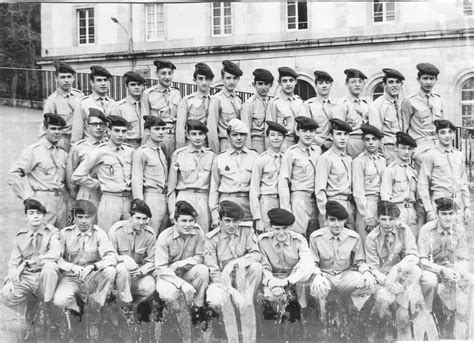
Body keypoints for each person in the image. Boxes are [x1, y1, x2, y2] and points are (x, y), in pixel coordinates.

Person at [53, 200, 117, 339]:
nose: (83, 221)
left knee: (110, 270)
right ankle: (77, 310)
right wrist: (71, 267)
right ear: (74, 217)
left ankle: (96, 308)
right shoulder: (64, 234)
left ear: (93, 218)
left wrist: (94, 266)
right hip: (70, 278)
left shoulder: (99, 233)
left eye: (87, 217)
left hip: (91, 278)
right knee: (60, 300)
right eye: (80, 217)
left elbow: (111, 257)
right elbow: (56, 258)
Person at [309, 201, 375, 334]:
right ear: (326, 220)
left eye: (340, 220)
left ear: (345, 220)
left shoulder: (353, 237)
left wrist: (367, 272)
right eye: (332, 220)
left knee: (367, 283)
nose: (337, 224)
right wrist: (317, 275)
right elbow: (312, 263)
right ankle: (324, 324)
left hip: (344, 276)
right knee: (318, 288)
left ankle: (353, 315)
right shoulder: (316, 237)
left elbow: (360, 262)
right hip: (325, 276)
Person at [365, 201, 424, 341]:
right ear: (378, 218)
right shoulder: (371, 238)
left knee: (415, 271)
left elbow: (413, 255)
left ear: (396, 218)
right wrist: (388, 283)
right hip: (383, 281)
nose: (387, 223)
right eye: (383, 219)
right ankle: (379, 335)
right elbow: (372, 267)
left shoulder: (404, 230)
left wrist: (397, 268)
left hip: (401, 278)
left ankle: (409, 334)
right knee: (384, 299)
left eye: (391, 219)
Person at [205, 200, 262, 343]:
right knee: (218, 300)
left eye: (235, 221)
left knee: (256, 267)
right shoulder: (211, 239)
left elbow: (256, 254)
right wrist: (231, 291)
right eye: (227, 221)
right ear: (220, 220)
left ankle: (250, 339)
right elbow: (214, 271)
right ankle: (228, 337)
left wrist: (236, 263)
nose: (231, 225)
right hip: (222, 283)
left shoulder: (247, 231)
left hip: (244, 281)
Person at [1, 199, 60, 333]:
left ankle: (48, 310)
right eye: (31, 213)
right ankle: (31, 306)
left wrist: (30, 262)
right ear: (25, 216)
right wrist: (9, 281)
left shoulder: (52, 232)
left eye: (39, 213)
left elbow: (55, 253)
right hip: (28, 277)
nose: (35, 216)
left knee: (50, 267)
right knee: (6, 294)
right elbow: (13, 263)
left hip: (47, 277)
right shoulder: (20, 237)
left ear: (44, 216)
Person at [154, 201, 209, 342]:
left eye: (191, 220)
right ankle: (168, 324)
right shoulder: (164, 237)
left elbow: (200, 257)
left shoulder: (197, 232)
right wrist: (181, 284)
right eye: (183, 221)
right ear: (175, 221)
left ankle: (197, 310)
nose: (188, 224)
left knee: (202, 271)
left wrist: (182, 263)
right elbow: (160, 268)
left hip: (186, 272)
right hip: (166, 277)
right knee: (170, 294)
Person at [418, 197, 472, 340]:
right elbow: (422, 260)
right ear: (437, 215)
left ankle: (463, 327)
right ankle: (428, 319)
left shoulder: (459, 230)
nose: (448, 218)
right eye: (444, 214)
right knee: (429, 281)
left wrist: (459, 270)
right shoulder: (427, 230)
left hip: (451, 270)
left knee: (469, 279)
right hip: (432, 270)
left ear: (455, 214)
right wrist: (442, 270)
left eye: (451, 213)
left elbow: (464, 257)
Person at [72, 115, 133, 232]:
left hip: (128, 200)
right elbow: (77, 175)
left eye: (124, 131)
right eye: (117, 131)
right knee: (107, 235)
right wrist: (97, 184)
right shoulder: (100, 151)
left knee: (126, 236)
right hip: (110, 199)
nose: (120, 134)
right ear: (109, 131)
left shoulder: (130, 151)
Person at [9, 113, 68, 229]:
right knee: (41, 237)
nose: (56, 132)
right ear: (45, 129)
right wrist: (26, 197)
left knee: (60, 238)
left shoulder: (63, 153)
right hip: (42, 200)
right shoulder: (33, 151)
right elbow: (13, 174)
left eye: (60, 129)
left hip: (61, 202)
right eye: (53, 129)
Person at [258, 208, 314, 323]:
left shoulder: (299, 240)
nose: (281, 232)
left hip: (294, 278)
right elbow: (264, 266)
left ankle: (301, 319)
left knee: (306, 270)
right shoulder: (263, 241)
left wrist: (287, 281)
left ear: (291, 227)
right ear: (270, 227)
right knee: (271, 297)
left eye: (285, 228)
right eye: (277, 229)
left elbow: (307, 263)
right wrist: (272, 284)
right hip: (274, 278)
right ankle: (273, 327)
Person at [109, 199, 156, 332]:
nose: (142, 222)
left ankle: (129, 308)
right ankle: (124, 310)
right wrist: (122, 258)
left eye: (145, 219)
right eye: (138, 218)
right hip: (119, 275)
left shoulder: (149, 234)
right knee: (122, 269)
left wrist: (142, 271)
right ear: (130, 216)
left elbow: (153, 259)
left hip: (138, 273)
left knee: (150, 286)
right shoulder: (117, 230)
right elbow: (109, 254)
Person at [418, 119, 471, 225]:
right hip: (439, 204)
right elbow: (422, 185)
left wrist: (467, 207)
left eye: (450, 132)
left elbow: (463, 183)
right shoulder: (430, 155)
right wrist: (429, 210)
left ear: (454, 134)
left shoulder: (458, 155)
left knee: (457, 238)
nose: (447, 136)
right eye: (443, 132)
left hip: (457, 204)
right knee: (439, 238)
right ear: (437, 135)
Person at [209, 119, 258, 229]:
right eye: (235, 135)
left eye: (242, 135)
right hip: (227, 204)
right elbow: (214, 188)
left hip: (248, 205)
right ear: (228, 136)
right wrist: (214, 214)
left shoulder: (254, 157)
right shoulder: (220, 158)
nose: (239, 138)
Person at [168, 119, 215, 233]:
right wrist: (172, 211)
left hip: (204, 199)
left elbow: (214, 187)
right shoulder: (179, 155)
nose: (198, 138)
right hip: (184, 197)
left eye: (201, 134)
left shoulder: (211, 156)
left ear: (205, 136)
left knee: (203, 235)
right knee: (182, 234)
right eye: (194, 134)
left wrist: (214, 212)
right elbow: (171, 188)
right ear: (187, 135)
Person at [278, 116, 321, 236]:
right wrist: (286, 208)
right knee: (298, 236)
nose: (308, 134)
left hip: (316, 201)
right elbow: (283, 182)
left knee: (315, 237)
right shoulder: (291, 153)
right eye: (304, 131)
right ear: (297, 132)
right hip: (299, 200)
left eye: (311, 131)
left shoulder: (317, 151)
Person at [401, 63, 444, 170]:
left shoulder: (438, 99)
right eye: (425, 78)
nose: (428, 82)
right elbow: (404, 129)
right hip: (420, 148)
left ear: (436, 80)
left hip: (438, 145)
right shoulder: (410, 101)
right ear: (418, 79)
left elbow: (443, 126)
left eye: (431, 78)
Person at [315, 118, 355, 230]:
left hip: (349, 205)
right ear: (331, 136)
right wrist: (325, 215)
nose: (342, 138)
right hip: (333, 204)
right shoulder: (325, 159)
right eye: (338, 134)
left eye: (346, 134)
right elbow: (320, 190)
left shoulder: (349, 159)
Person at [132, 116, 169, 235]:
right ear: (147, 131)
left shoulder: (161, 150)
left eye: (163, 129)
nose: (161, 132)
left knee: (162, 234)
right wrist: (140, 206)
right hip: (151, 197)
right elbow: (137, 179)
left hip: (164, 197)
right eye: (157, 129)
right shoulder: (142, 152)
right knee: (149, 234)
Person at [66, 108, 108, 209]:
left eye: (101, 124)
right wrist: (74, 198)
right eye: (94, 124)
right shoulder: (79, 147)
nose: (98, 127)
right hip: (87, 192)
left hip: (107, 193)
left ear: (106, 127)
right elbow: (70, 177)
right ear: (87, 126)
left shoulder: (109, 146)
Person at [250, 121, 287, 233]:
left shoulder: (286, 158)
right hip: (267, 201)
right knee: (267, 234)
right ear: (267, 137)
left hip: (283, 201)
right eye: (272, 135)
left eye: (279, 135)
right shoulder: (261, 160)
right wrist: (258, 218)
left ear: (284, 138)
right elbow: (254, 189)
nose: (276, 138)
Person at [380, 132, 419, 237]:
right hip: (397, 213)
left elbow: (417, 199)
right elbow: (385, 198)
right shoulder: (391, 170)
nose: (406, 152)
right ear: (396, 148)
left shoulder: (413, 171)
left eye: (409, 149)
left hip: (412, 214)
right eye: (403, 148)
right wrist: (391, 218)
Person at [352, 124, 386, 243]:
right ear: (363, 142)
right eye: (367, 139)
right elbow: (358, 191)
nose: (371, 143)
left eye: (374, 139)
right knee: (366, 242)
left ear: (380, 141)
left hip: (381, 206)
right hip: (366, 205)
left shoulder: (383, 160)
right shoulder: (359, 161)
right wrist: (367, 216)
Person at [142, 59, 182, 159]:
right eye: (163, 73)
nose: (167, 77)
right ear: (156, 74)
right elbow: (145, 122)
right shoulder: (148, 94)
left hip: (174, 138)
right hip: (157, 138)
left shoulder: (176, 93)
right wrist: (145, 144)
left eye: (170, 73)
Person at [41, 61, 84, 152]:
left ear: (73, 78)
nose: (66, 80)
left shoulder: (79, 95)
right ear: (56, 79)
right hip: (63, 142)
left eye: (69, 77)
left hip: (81, 139)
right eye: (63, 77)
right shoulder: (52, 101)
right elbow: (44, 128)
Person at [368, 68, 405, 164]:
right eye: (391, 82)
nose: (394, 85)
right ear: (384, 85)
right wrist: (386, 157)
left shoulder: (399, 104)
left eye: (397, 82)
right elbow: (376, 135)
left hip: (401, 150)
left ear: (401, 85)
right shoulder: (378, 106)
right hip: (388, 151)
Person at [266, 67, 310, 148]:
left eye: (291, 80)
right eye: (285, 81)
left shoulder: (300, 102)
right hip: (283, 144)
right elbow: (270, 130)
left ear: (296, 81)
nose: (288, 84)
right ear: (279, 83)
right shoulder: (274, 103)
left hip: (300, 144)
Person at [71, 65, 116, 143]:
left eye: (105, 80)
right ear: (92, 83)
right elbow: (76, 135)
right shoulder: (84, 104)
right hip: (90, 149)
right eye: (99, 80)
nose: (103, 83)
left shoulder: (114, 104)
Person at [207, 60, 243, 153]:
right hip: (224, 144)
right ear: (222, 79)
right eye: (228, 78)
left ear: (238, 79)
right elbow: (212, 130)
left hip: (237, 145)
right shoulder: (216, 99)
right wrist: (214, 152)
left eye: (235, 78)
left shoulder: (238, 100)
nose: (231, 82)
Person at [176, 62, 214, 149]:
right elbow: (180, 129)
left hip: (207, 146)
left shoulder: (214, 101)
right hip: (190, 146)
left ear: (211, 80)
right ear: (194, 81)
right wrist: (181, 151)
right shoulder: (187, 101)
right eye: (200, 79)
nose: (204, 82)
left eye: (207, 79)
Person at [333, 68, 369, 158]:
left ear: (364, 84)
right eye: (353, 82)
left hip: (367, 143)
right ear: (347, 84)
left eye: (360, 81)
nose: (357, 85)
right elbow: (338, 131)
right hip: (349, 144)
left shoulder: (366, 105)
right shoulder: (341, 105)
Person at [241, 68, 275, 153]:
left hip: (270, 145)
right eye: (260, 84)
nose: (263, 87)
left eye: (266, 84)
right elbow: (245, 131)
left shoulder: (271, 104)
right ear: (254, 85)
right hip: (255, 145)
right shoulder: (249, 104)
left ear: (271, 85)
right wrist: (249, 152)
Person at [111, 71, 146, 149]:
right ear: (126, 86)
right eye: (133, 85)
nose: (136, 87)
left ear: (143, 86)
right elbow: (114, 132)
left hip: (146, 145)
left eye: (139, 84)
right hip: (128, 145)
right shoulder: (119, 107)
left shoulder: (147, 105)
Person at [305, 70, 338, 152]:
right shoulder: (308, 105)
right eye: (320, 83)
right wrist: (322, 143)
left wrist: (332, 141)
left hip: (334, 146)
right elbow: (304, 129)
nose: (324, 86)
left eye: (327, 83)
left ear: (331, 85)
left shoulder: (337, 105)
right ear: (316, 85)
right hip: (314, 146)